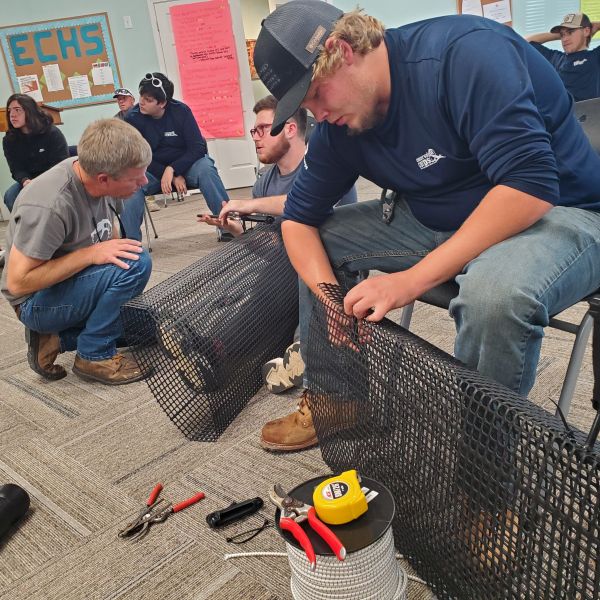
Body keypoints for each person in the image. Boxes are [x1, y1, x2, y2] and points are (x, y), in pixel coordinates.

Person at [250, 1, 600, 452]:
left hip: (556, 210)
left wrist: (410, 281)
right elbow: (298, 220)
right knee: (323, 240)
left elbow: (529, 187)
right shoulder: (341, 127)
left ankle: (487, 485)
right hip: (438, 218)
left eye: (315, 94)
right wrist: (330, 298)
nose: (316, 113)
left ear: (342, 50)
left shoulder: (464, 54)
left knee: (495, 297)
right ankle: (338, 401)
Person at [200, 94, 357, 394]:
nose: (256, 138)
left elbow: (303, 205)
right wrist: (238, 232)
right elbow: (271, 251)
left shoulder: (324, 166)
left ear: (289, 129)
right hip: (283, 275)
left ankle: (228, 347)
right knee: (260, 280)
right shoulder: (265, 180)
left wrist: (249, 206)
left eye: (262, 129)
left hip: (332, 269)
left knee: (281, 267)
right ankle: (282, 350)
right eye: (253, 131)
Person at [1, 119, 153, 385]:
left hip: (72, 284)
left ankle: (56, 340)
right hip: (35, 302)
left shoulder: (104, 176)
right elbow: (18, 282)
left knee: (148, 328)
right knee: (137, 263)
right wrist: (91, 255)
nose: (144, 181)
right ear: (104, 179)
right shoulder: (51, 204)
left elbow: (111, 238)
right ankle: (94, 355)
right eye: (136, 177)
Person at [121, 72, 229, 241]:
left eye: (148, 100)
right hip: (152, 170)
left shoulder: (181, 111)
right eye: (141, 96)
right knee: (129, 183)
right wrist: (167, 173)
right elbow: (137, 157)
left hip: (187, 166)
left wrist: (173, 170)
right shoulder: (133, 118)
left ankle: (228, 227)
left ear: (163, 103)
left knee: (206, 168)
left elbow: (198, 148)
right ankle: (130, 243)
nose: (141, 101)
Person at [2, 93, 68, 212]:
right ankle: (27, 228)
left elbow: (61, 165)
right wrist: (25, 180)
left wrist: (42, 183)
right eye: (9, 111)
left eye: (17, 110)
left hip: (54, 179)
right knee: (10, 196)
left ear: (30, 111)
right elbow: (16, 168)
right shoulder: (9, 140)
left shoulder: (52, 132)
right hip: (29, 181)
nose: (12, 115)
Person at [526, 13, 600, 101]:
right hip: (560, 112)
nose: (564, 39)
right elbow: (526, 43)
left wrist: (596, 25)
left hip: (588, 112)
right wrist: (557, 35)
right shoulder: (556, 58)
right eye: (563, 35)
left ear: (586, 31)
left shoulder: (595, 56)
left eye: (570, 32)